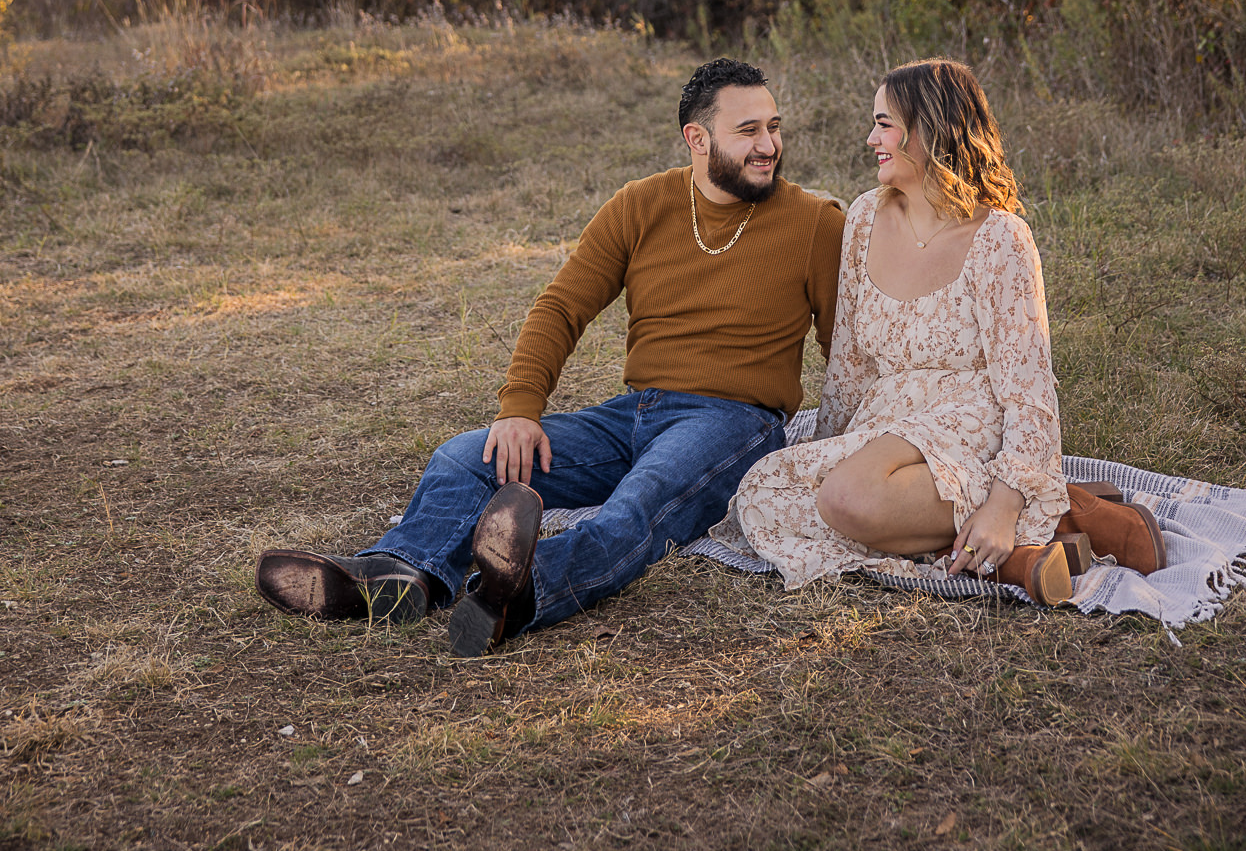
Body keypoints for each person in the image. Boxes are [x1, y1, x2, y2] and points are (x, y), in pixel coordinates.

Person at [255, 56, 845, 653]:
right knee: (466, 457)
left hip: (733, 421)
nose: (768, 144)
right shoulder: (641, 206)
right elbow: (561, 307)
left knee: (636, 505)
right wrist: (519, 410)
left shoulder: (814, 223)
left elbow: (839, 347)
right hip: (635, 413)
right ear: (697, 138)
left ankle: (518, 591)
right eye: (748, 131)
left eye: (773, 127)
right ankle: (399, 574)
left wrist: (857, 449)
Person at [718, 57, 1166, 605]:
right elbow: (852, 361)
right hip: (889, 420)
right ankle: (1038, 536)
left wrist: (1003, 501)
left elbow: (1029, 390)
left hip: (971, 419)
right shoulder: (864, 218)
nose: (870, 138)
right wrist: (825, 450)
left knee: (849, 500)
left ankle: (1030, 502)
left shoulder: (1000, 239)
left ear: (929, 128)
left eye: (884, 124)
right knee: (764, 492)